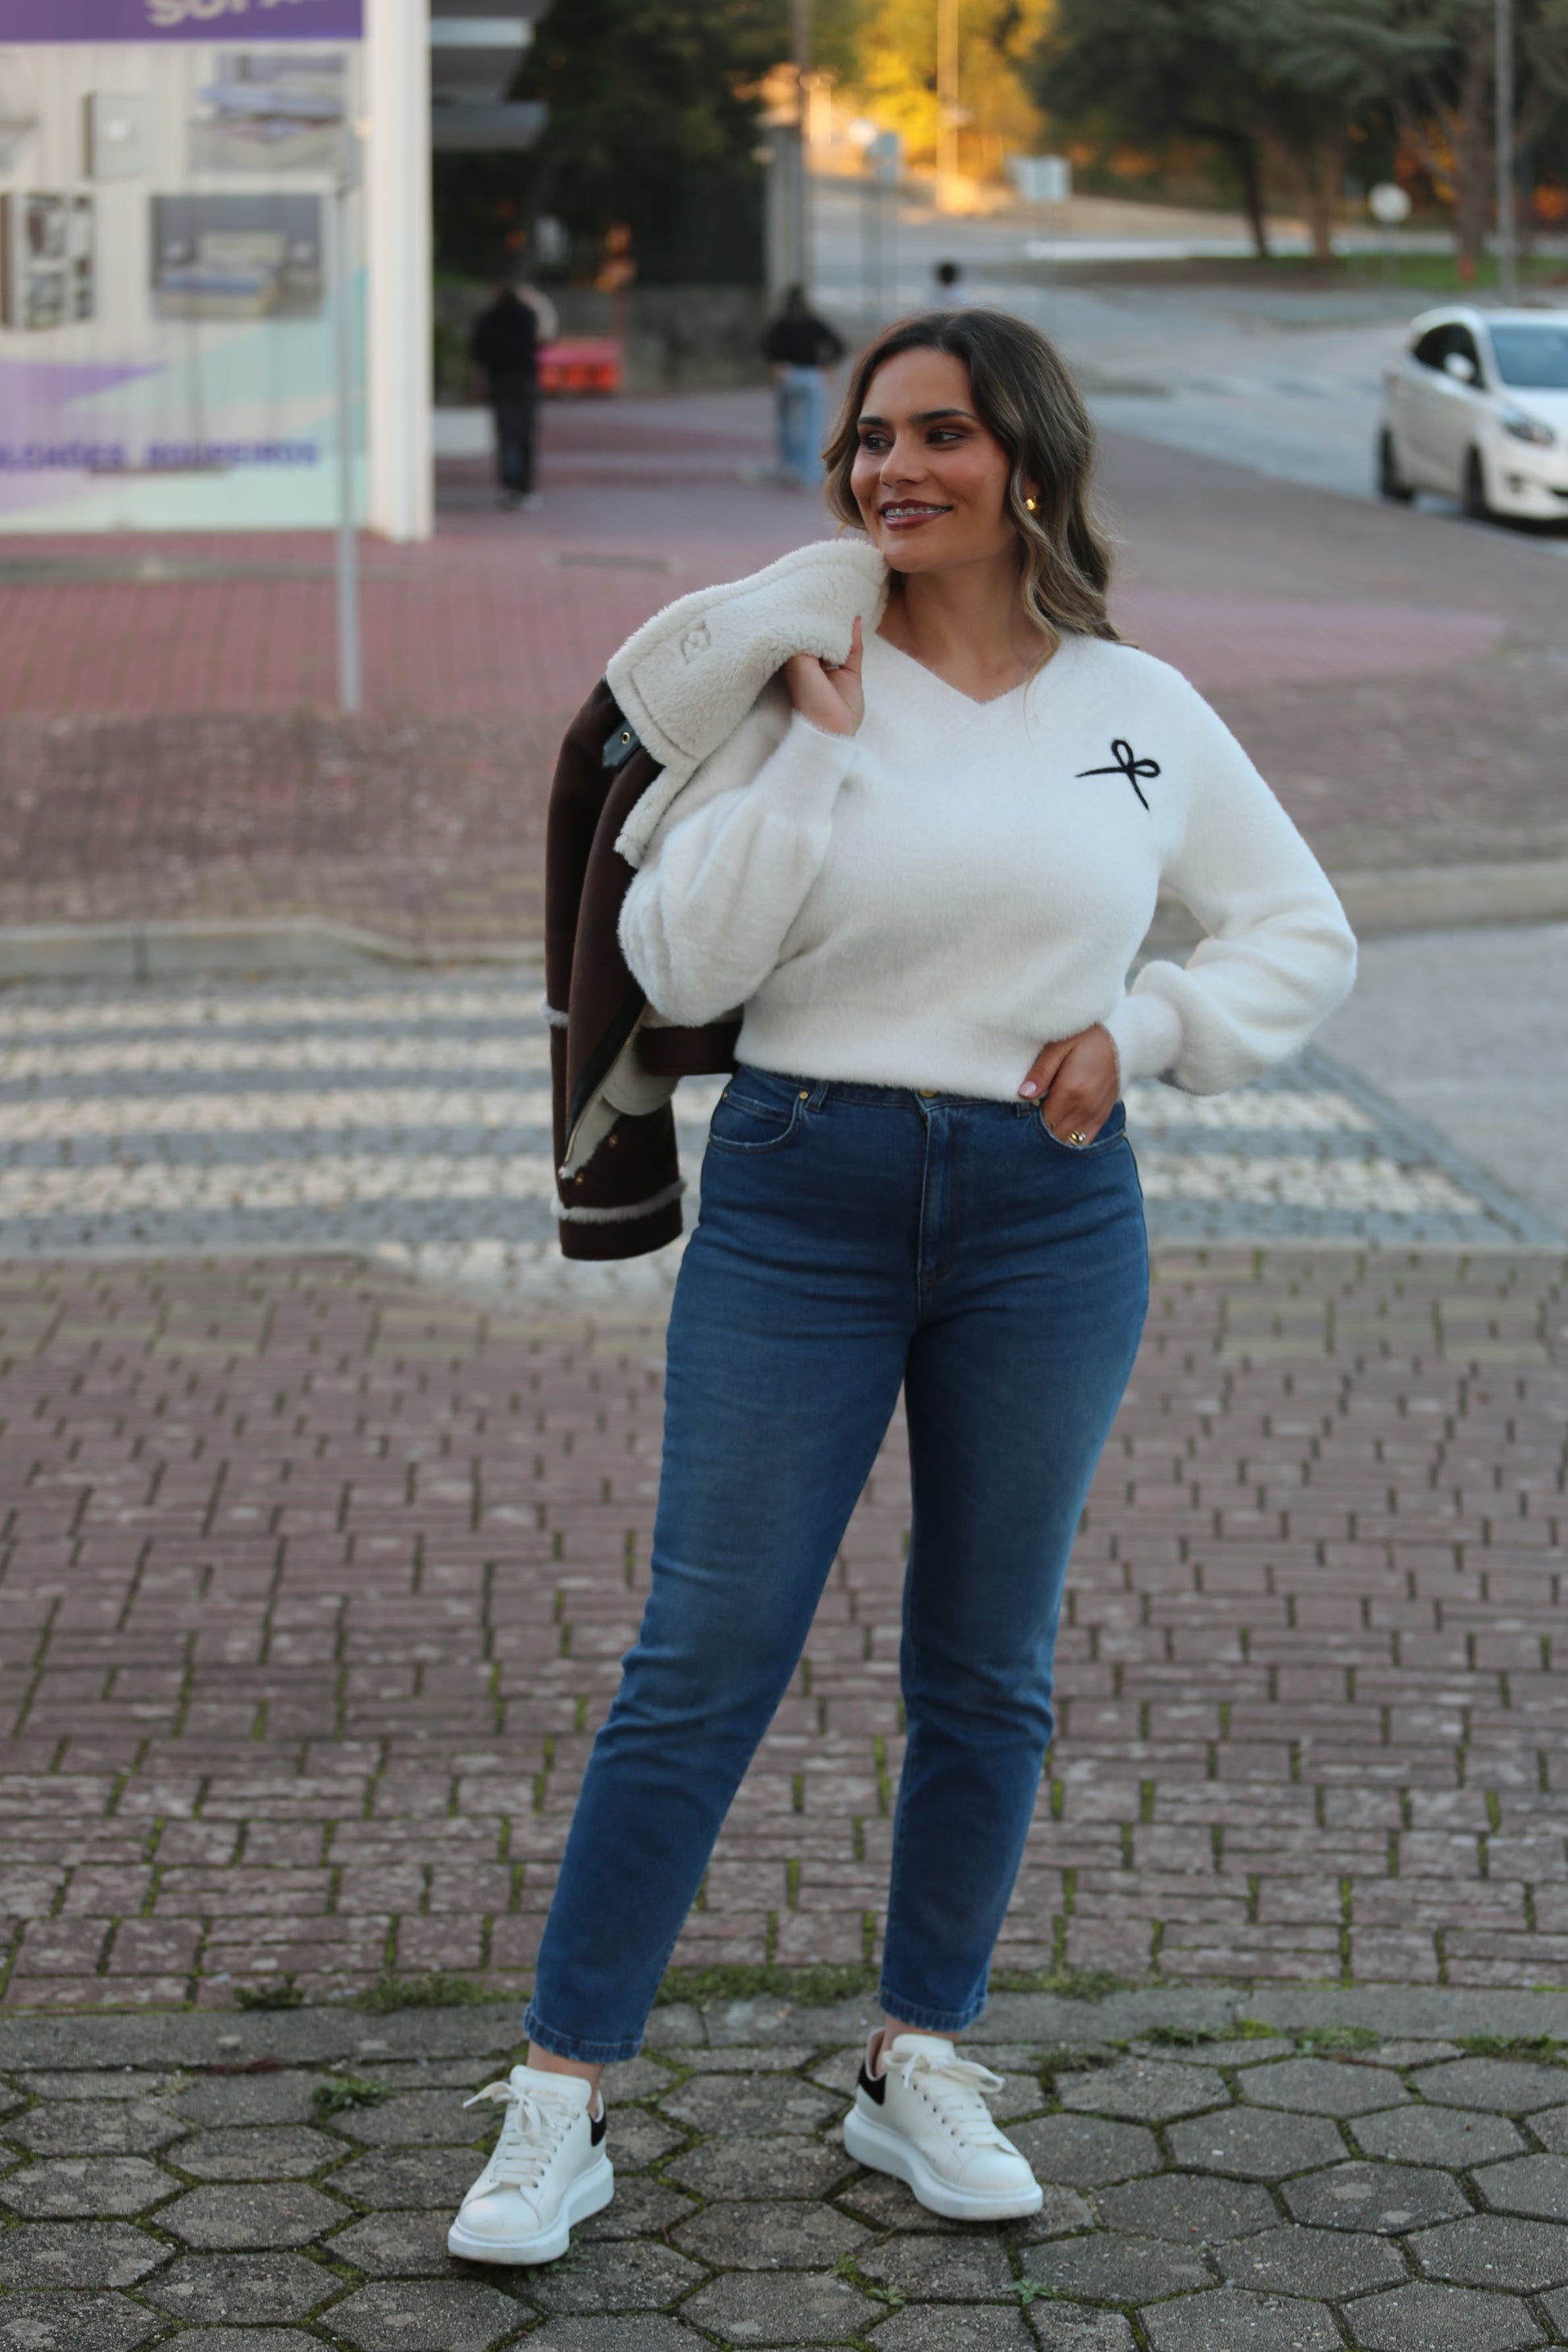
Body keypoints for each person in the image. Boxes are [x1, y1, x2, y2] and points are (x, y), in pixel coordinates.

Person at [446, 307, 1357, 2267]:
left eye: (939, 434)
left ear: (1026, 462)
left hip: (1050, 1213)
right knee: (705, 1654)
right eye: (872, 439)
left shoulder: (1138, 705)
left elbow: (1301, 929)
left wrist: (1148, 1025)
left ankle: (915, 2058)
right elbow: (681, 964)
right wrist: (815, 755)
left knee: (985, 1662)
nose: (894, 469)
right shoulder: (791, 680)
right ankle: (558, 2095)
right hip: (805, 1191)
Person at [470, 277, 558, 511]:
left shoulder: (487, 319)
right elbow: (544, 338)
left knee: (506, 434)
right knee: (525, 435)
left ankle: (510, 486)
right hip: (526, 381)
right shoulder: (527, 316)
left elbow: (478, 353)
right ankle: (526, 487)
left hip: (499, 381)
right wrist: (537, 304)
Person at [762, 283, 845, 487]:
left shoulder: (781, 324)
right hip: (812, 376)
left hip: (788, 375)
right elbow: (839, 345)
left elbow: (766, 344)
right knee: (813, 426)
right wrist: (828, 365)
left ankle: (789, 467)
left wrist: (776, 362)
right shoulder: (815, 323)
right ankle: (810, 474)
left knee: (786, 424)